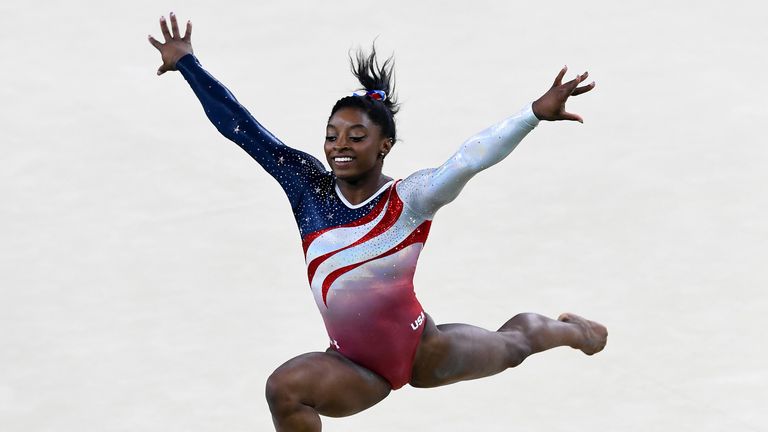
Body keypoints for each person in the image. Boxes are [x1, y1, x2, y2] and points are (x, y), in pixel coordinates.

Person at [149, 12, 607, 432]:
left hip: (422, 349)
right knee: (283, 390)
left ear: (384, 145)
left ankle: (575, 330)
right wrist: (188, 64)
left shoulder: (410, 198)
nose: (339, 146)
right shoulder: (308, 186)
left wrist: (531, 115)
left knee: (514, 347)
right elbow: (242, 128)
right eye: (331, 136)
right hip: (354, 367)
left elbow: (468, 160)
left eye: (356, 136)